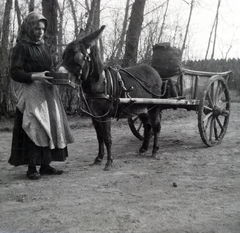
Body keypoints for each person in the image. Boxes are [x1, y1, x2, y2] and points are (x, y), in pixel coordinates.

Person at [9, 11, 74, 180]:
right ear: (29, 28)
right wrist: (35, 76)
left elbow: (49, 69)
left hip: (48, 93)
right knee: (34, 126)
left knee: (49, 127)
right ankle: (32, 168)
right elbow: (15, 72)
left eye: (43, 29)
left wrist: (61, 77)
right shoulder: (22, 46)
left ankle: (45, 165)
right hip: (32, 92)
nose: (40, 32)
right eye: (37, 28)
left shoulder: (45, 47)